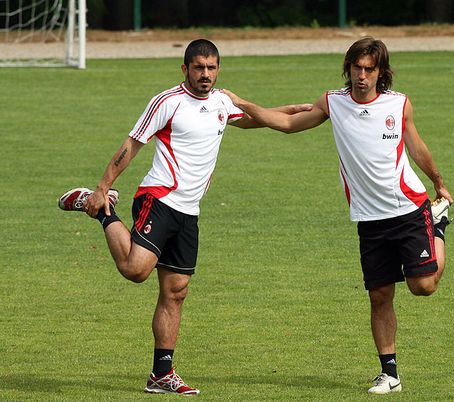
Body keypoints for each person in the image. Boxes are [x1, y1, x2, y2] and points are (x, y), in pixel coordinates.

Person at [57, 39, 309, 395]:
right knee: (135, 270)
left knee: (175, 292)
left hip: (190, 212)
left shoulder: (222, 101)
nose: (205, 74)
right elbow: (132, 143)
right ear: (185, 69)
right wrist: (103, 185)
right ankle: (101, 207)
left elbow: (248, 120)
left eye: (211, 68)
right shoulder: (168, 102)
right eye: (199, 68)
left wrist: (287, 109)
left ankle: (162, 373)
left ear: (218, 69)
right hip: (158, 198)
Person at [220, 37, 453, 394]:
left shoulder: (399, 104)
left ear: (381, 73)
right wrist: (240, 104)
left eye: (369, 69)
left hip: (408, 209)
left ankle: (439, 226)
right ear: (349, 69)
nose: (361, 76)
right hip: (369, 219)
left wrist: (438, 182)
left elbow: (416, 146)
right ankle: (389, 374)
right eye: (356, 68)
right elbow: (284, 124)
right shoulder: (333, 103)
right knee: (379, 296)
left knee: (423, 287)